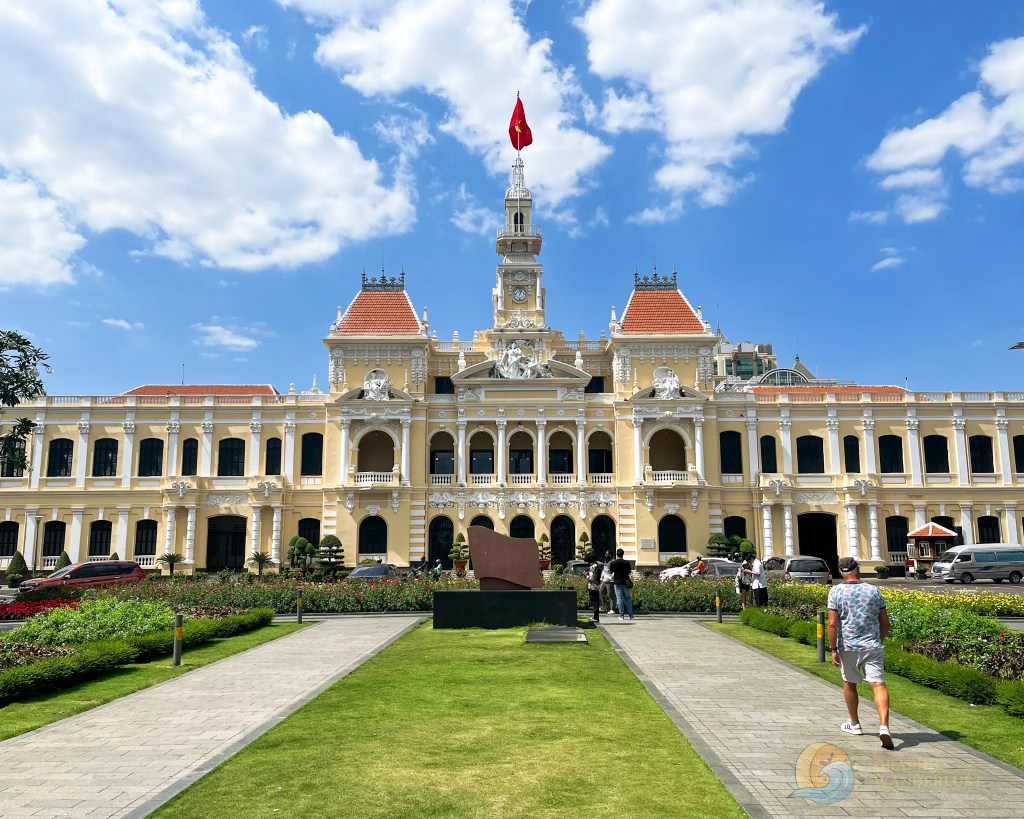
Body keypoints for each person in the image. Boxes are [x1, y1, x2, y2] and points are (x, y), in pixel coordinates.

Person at [827, 556, 894, 750]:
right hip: (872, 645)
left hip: (848, 646)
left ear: (841, 572)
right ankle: (884, 726)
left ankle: (855, 723)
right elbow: (885, 622)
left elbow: (832, 623)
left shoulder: (836, 592)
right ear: (858, 569)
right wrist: (878, 640)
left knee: (850, 683)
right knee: (878, 684)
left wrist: (833, 648)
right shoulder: (873, 590)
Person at [608, 548, 634, 621]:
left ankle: (621, 615)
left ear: (617, 554)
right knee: (628, 598)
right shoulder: (627, 563)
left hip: (617, 582)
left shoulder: (613, 563)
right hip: (625, 582)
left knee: (619, 598)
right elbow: (629, 571)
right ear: (623, 554)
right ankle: (631, 615)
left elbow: (611, 571)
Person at [585, 552, 602, 624]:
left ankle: (596, 617)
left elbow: (591, 578)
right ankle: (596, 617)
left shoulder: (592, 567)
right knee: (596, 601)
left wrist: (586, 575)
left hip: (592, 586)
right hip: (597, 585)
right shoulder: (598, 565)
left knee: (594, 601)